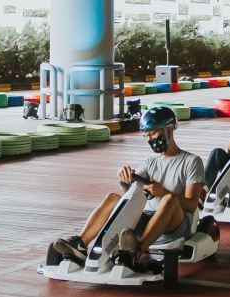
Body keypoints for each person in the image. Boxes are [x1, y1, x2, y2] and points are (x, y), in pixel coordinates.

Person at [53, 105, 207, 266]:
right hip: (148, 218)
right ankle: (81, 244)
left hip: (176, 225)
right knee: (112, 198)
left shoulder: (191, 161)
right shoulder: (150, 163)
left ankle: (137, 251)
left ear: (168, 130)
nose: (150, 139)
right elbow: (130, 189)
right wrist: (125, 177)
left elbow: (191, 204)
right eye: (147, 135)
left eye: (153, 133)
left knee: (169, 200)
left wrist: (164, 192)